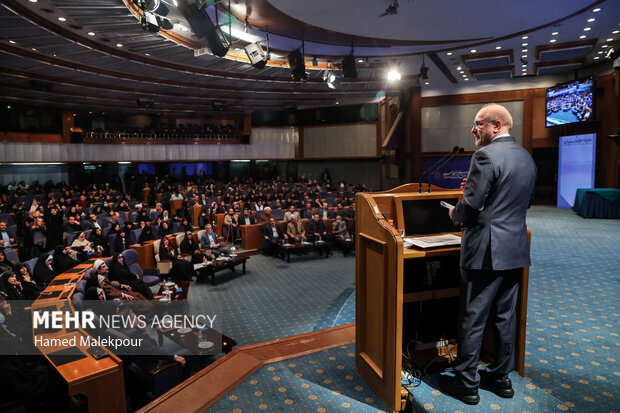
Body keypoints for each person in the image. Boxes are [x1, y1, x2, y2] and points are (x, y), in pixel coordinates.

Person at [439, 103, 537, 405]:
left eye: (478, 124)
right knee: (505, 317)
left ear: (496, 125)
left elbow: (472, 209)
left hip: (484, 252)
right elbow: (516, 202)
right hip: (515, 249)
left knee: (473, 317)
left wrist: (456, 212)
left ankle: (467, 384)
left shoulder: (484, 155)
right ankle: (500, 378)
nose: (473, 130)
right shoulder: (526, 157)